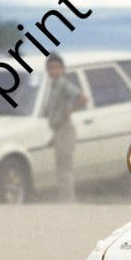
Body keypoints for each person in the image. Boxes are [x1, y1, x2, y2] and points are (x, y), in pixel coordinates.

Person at [44, 55, 87, 202]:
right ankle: (64, 198)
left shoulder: (63, 85)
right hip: (58, 130)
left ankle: (68, 200)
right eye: (51, 68)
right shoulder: (53, 86)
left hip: (65, 129)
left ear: (63, 69)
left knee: (65, 168)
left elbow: (82, 98)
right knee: (60, 167)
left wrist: (71, 110)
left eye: (57, 68)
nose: (54, 71)